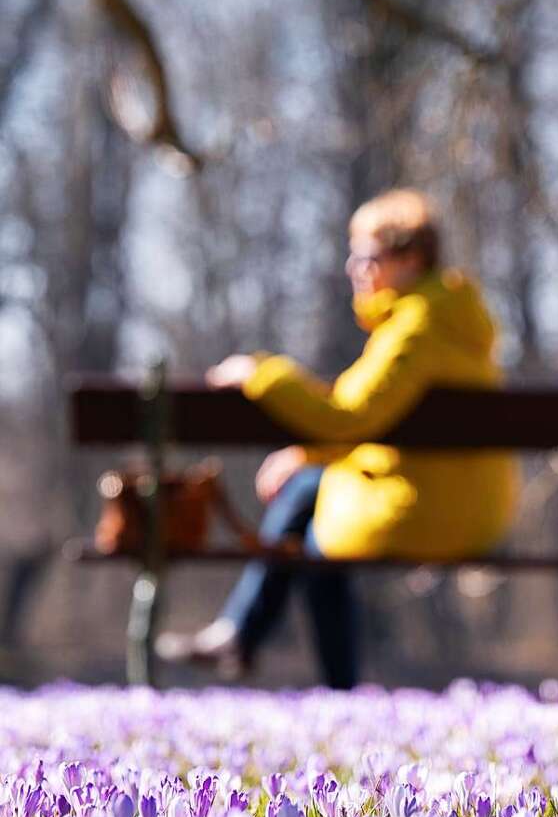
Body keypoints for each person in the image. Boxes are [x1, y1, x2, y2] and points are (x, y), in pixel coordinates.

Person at [156, 189, 521, 686]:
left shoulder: (416, 330)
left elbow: (346, 417)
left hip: (430, 509)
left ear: (410, 258)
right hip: (473, 505)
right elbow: (371, 420)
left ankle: (271, 649)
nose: (355, 269)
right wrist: (305, 454)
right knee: (312, 516)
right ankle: (251, 638)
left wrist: (260, 374)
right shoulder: (450, 318)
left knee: (312, 527)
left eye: (369, 258)